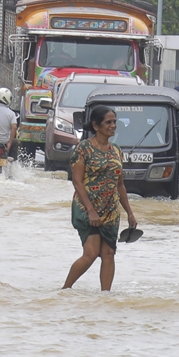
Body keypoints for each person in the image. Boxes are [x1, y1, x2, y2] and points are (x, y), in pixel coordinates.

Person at [62, 104, 138, 291]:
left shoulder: (116, 150)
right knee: (90, 253)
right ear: (96, 126)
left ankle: (105, 297)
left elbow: (120, 184)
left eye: (114, 122)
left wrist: (129, 213)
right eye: (108, 122)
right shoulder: (84, 149)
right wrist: (91, 211)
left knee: (109, 253)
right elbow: (78, 182)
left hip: (110, 210)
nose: (113, 125)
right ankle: (64, 290)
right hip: (87, 207)